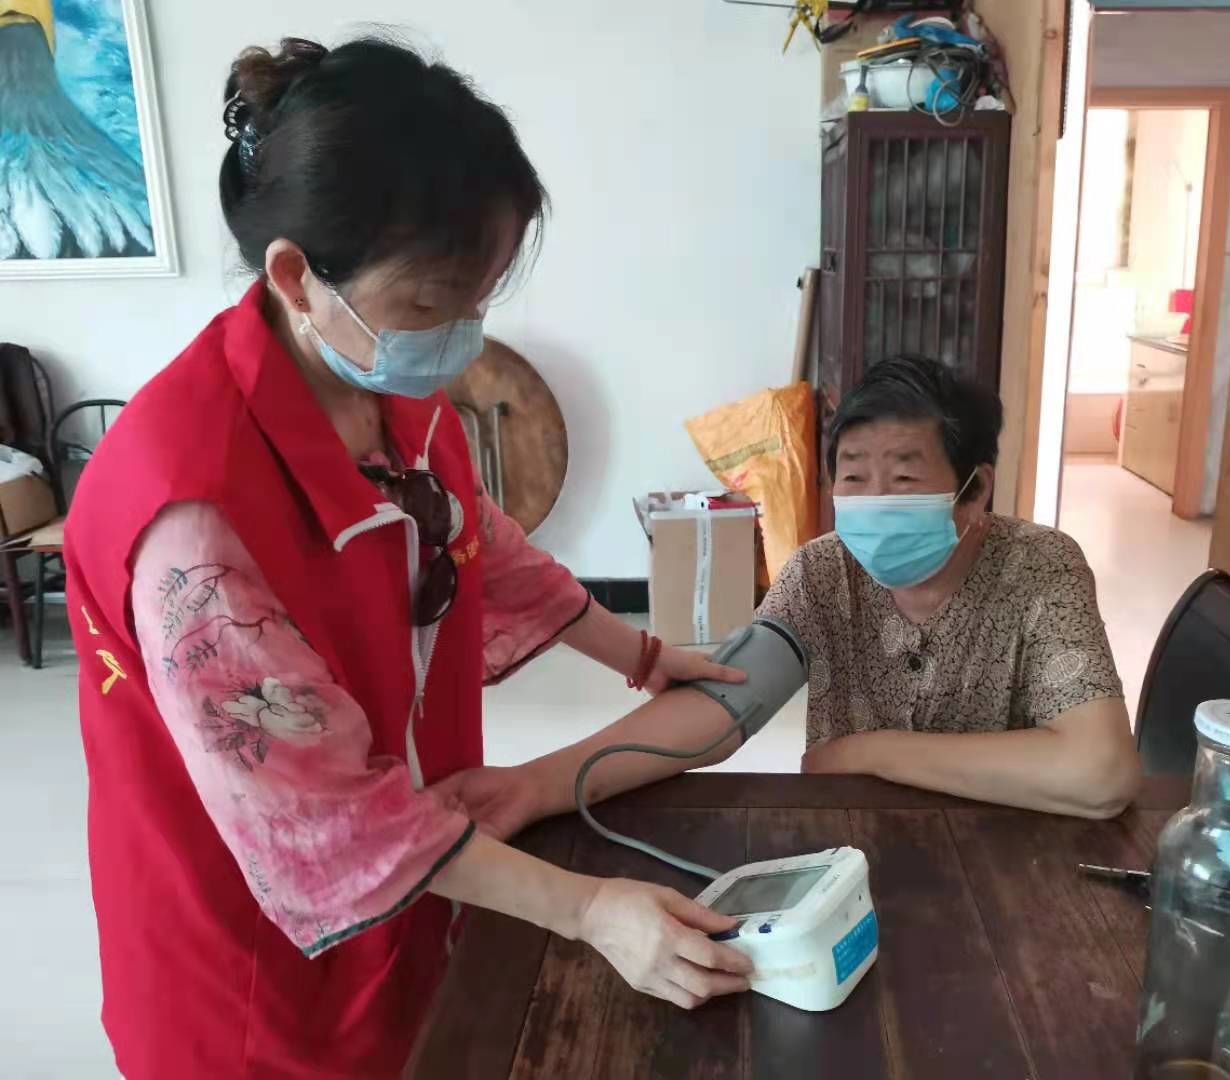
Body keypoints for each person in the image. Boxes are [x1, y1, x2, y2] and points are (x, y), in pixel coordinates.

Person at [65, 37, 759, 1079]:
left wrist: (642, 655)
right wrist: (589, 911)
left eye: (481, 296)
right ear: (296, 277)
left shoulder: (382, 385)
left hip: (410, 849)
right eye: (433, 304)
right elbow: (328, 812)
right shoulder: (192, 520)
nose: (463, 333)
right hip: (253, 957)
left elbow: (476, 538)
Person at [756, 355, 1141, 818]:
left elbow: (1101, 772)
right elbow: (719, 706)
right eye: (853, 477)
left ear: (975, 490)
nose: (874, 502)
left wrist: (873, 753)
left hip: (1004, 843)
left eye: (903, 479)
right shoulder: (819, 571)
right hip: (851, 842)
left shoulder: (1040, 565)